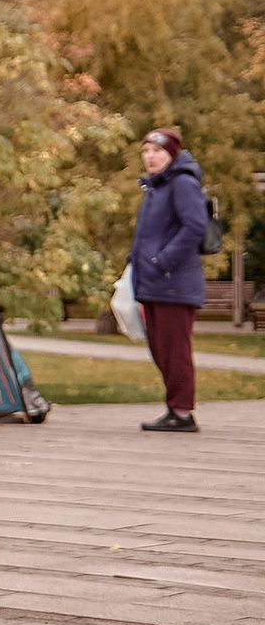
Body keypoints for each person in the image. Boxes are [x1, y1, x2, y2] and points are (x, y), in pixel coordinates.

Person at [130, 127, 209, 433]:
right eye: (146, 151)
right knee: (161, 349)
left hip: (173, 283)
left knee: (175, 349)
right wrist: (133, 263)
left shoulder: (182, 184)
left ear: (172, 155)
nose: (150, 157)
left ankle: (182, 412)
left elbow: (194, 227)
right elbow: (149, 235)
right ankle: (175, 408)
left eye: (158, 151)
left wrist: (163, 261)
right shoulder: (156, 188)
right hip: (153, 282)